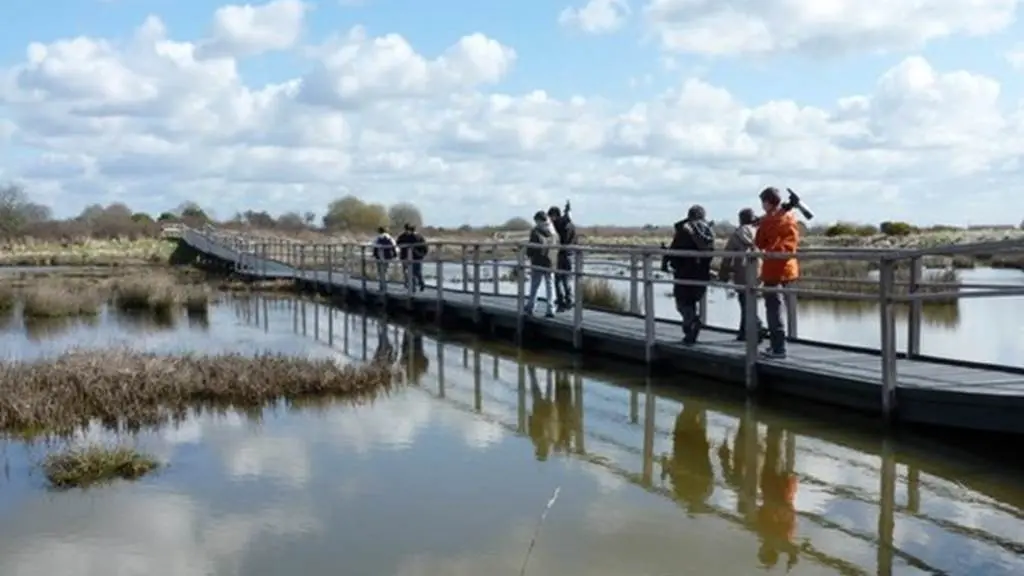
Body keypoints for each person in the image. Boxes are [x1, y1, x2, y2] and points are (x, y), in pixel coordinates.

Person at [754, 187, 800, 358]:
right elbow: (792, 242)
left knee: (773, 308)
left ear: (767, 202)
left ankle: (778, 347)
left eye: (763, 202)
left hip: (773, 267)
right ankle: (781, 344)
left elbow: (759, 242)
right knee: (783, 307)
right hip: (789, 267)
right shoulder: (790, 218)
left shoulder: (768, 221)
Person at [666, 205, 715, 345]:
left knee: (682, 303)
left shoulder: (684, 230)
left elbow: (674, 250)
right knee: (692, 301)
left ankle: (692, 323)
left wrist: (669, 262)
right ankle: (690, 331)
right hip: (701, 274)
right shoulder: (709, 230)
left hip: (684, 272)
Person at [718, 208, 765, 341]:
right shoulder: (759, 232)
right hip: (759, 271)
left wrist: (724, 273)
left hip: (742, 271)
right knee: (750, 300)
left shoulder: (737, 234)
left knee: (744, 302)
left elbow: (727, 256)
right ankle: (744, 332)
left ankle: (757, 327)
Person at [524, 210, 558, 318]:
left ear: (538, 220)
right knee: (550, 285)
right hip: (551, 261)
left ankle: (531, 306)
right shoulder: (553, 231)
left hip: (538, 261)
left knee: (535, 285)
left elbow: (531, 247)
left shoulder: (536, 231)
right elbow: (558, 244)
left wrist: (528, 255)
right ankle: (551, 308)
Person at [547, 201, 576, 312]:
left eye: (550, 216)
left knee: (557, 280)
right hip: (569, 254)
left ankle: (561, 302)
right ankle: (569, 301)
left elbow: (553, 238)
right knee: (566, 279)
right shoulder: (571, 225)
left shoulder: (557, 225)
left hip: (559, 254)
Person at [396, 223, 427, 292]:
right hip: (416, 256)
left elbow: (398, 243)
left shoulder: (405, 236)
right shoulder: (419, 236)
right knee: (416, 272)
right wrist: (422, 254)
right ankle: (418, 284)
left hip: (410, 256)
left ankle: (413, 286)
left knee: (410, 272)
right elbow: (424, 247)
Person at [372, 226, 397, 292]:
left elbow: (374, 247)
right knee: (385, 271)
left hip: (380, 257)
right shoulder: (390, 238)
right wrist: (395, 255)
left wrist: (374, 255)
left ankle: (382, 287)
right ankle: (385, 286)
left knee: (380, 272)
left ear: (379, 231)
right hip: (388, 256)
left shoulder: (378, 238)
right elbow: (394, 247)